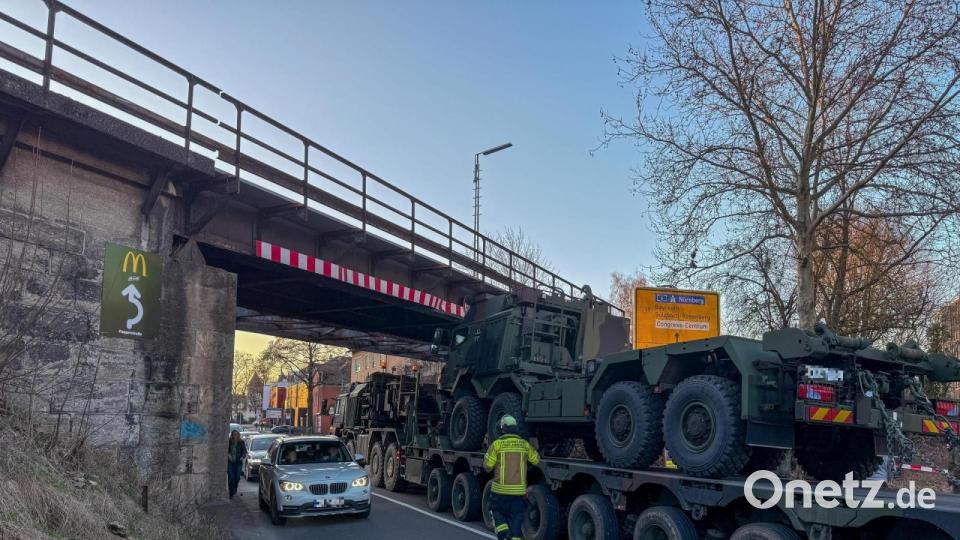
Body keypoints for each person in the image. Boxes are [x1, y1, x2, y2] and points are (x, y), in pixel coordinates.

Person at [483, 415, 540, 540]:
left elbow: (487, 466)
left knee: (496, 511)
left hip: (500, 492)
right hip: (518, 493)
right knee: (516, 518)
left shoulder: (497, 445)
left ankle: (504, 533)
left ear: (502, 429)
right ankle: (513, 537)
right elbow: (536, 460)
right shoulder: (524, 445)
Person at [227, 430, 247, 499]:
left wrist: (242, 457)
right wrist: (228, 456)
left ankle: (234, 489)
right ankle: (231, 492)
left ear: (238, 435)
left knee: (237, 477)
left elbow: (244, 451)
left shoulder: (241, 442)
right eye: (234, 434)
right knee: (231, 477)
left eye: (236, 434)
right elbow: (226, 450)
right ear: (232, 435)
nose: (235, 436)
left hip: (238, 462)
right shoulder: (229, 442)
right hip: (230, 462)